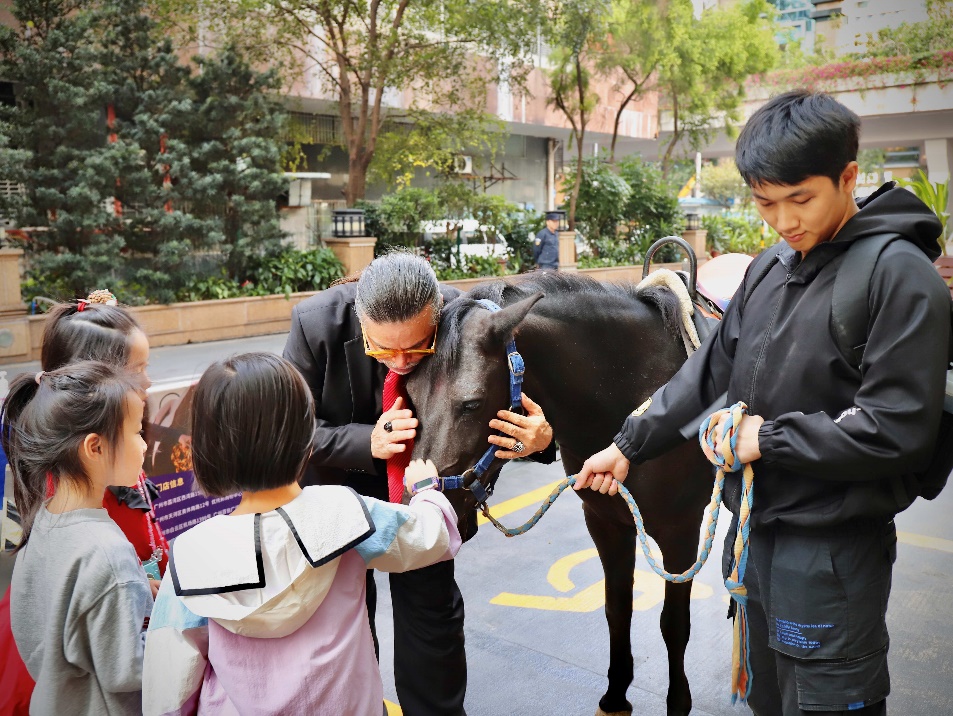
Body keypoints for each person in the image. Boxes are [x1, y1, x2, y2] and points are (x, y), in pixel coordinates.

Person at [574, 90, 950, 716]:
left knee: (828, 702)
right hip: (753, 534)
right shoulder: (771, 267)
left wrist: (764, 440)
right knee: (767, 697)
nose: (783, 220)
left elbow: (898, 430)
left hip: (830, 547)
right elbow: (708, 370)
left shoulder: (898, 276)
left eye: (800, 199)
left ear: (848, 176)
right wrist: (626, 445)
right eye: (765, 202)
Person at [283, 251, 554, 715]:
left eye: (418, 347)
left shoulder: (459, 317)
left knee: (431, 619)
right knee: (341, 623)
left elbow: (504, 402)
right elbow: (290, 430)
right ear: (360, 319)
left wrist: (543, 441)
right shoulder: (315, 324)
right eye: (384, 350)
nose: (402, 362)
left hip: (420, 495)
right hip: (336, 493)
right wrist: (366, 440)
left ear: (436, 313)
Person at [142, 352, 462, 715]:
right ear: (305, 439)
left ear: (209, 449)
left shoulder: (190, 557)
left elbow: (169, 686)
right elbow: (429, 537)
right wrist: (426, 492)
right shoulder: (346, 513)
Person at [0, 292, 168, 716]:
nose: (146, 382)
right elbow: (129, 668)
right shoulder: (103, 544)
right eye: (137, 371)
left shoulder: (55, 519)